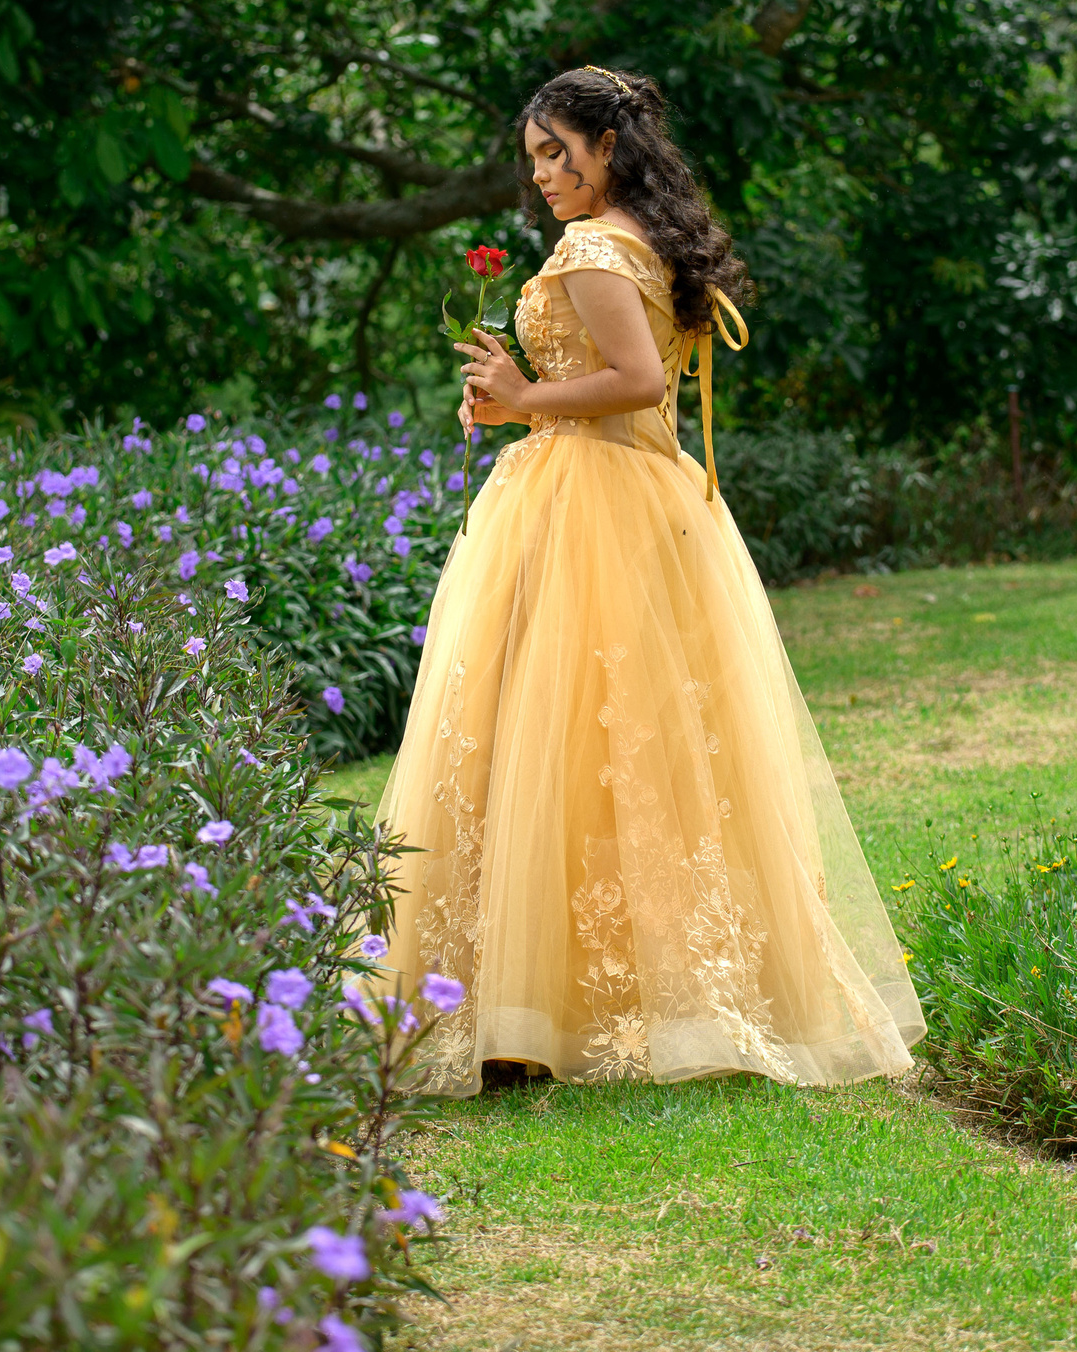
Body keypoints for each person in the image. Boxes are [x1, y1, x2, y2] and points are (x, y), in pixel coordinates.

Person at [373, 65, 924, 1096]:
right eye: (533, 156)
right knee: (618, 744)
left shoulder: (592, 249)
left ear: (609, 147)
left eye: (556, 151)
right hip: (634, 496)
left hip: (588, 501)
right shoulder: (641, 239)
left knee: (551, 733)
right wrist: (515, 402)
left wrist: (525, 396)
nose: (541, 174)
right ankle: (590, 987)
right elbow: (635, 387)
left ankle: (532, 999)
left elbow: (628, 382)